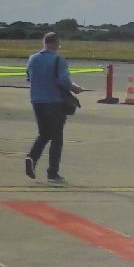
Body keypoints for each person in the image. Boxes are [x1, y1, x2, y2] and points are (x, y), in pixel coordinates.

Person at [25, 31, 85, 183]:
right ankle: (53, 172)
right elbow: (63, 81)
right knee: (57, 138)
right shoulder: (59, 60)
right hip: (54, 102)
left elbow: (28, 78)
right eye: (58, 44)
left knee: (44, 133)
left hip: (37, 101)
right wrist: (75, 88)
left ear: (45, 42)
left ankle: (32, 157)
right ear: (55, 44)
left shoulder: (33, 58)